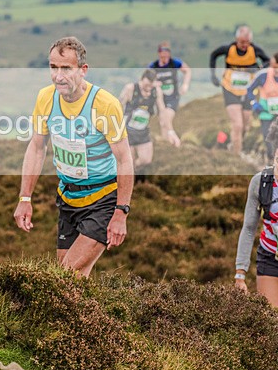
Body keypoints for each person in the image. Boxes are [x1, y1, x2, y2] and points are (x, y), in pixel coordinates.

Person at [13, 37, 134, 277]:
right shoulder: (45, 98)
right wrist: (25, 198)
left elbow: (124, 160)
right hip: (68, 198)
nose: (59, 76)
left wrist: (121, 212)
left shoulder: (105, 104)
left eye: (66, 68)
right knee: (74, 280)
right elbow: (36, 147)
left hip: (103, 199)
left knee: (64, 275)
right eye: (53, 67)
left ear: (83, 70)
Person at [235, 113, 278, 314]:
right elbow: (248, 228)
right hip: (271, 257)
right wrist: (240, 272)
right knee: (272, 320)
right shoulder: (261, 183)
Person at [210, 26, 270, 155]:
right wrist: (213, 74)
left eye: (247, 42)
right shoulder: (228, 49)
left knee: (245, 126)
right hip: (230, 89)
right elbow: (214, 55)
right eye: (242, 42)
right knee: (237, 124)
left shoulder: (254, 50)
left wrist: (258, 68)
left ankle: (234, 144)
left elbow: (268, 61)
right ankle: (236, 156)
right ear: (237, 39)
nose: (245, 45)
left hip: (248, 91)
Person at [118, 69, 179, 171]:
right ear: (142, 80)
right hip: (128, 132)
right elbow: (118, 106)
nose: (148, 89)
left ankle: (135, 172)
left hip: (143, 132)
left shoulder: (156, 91)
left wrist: (170, 132)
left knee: (146, 160)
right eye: (146, 85)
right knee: (129, 163)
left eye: (151, 86)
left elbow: (162, 112)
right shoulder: (131, 88)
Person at [246, 52, 278, 161]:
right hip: (266, 113)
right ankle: (270, 161)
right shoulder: (262, 75)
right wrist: (254, 104)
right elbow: (249, 90)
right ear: (271, 64)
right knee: (268, 140)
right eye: (275, 67)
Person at [148, 41, 190, 147]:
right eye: (163, 56)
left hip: (173, 96)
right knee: (162, 122)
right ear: (159, 54)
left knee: (167, 116)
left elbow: (187, 71)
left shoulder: (175, 63)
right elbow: (146, 80)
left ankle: (174, 138)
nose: (165, 58)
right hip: (160, 98)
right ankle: (166, 144)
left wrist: (185, 84)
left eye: (167, 56)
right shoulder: (153, 66)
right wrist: (154, 84)